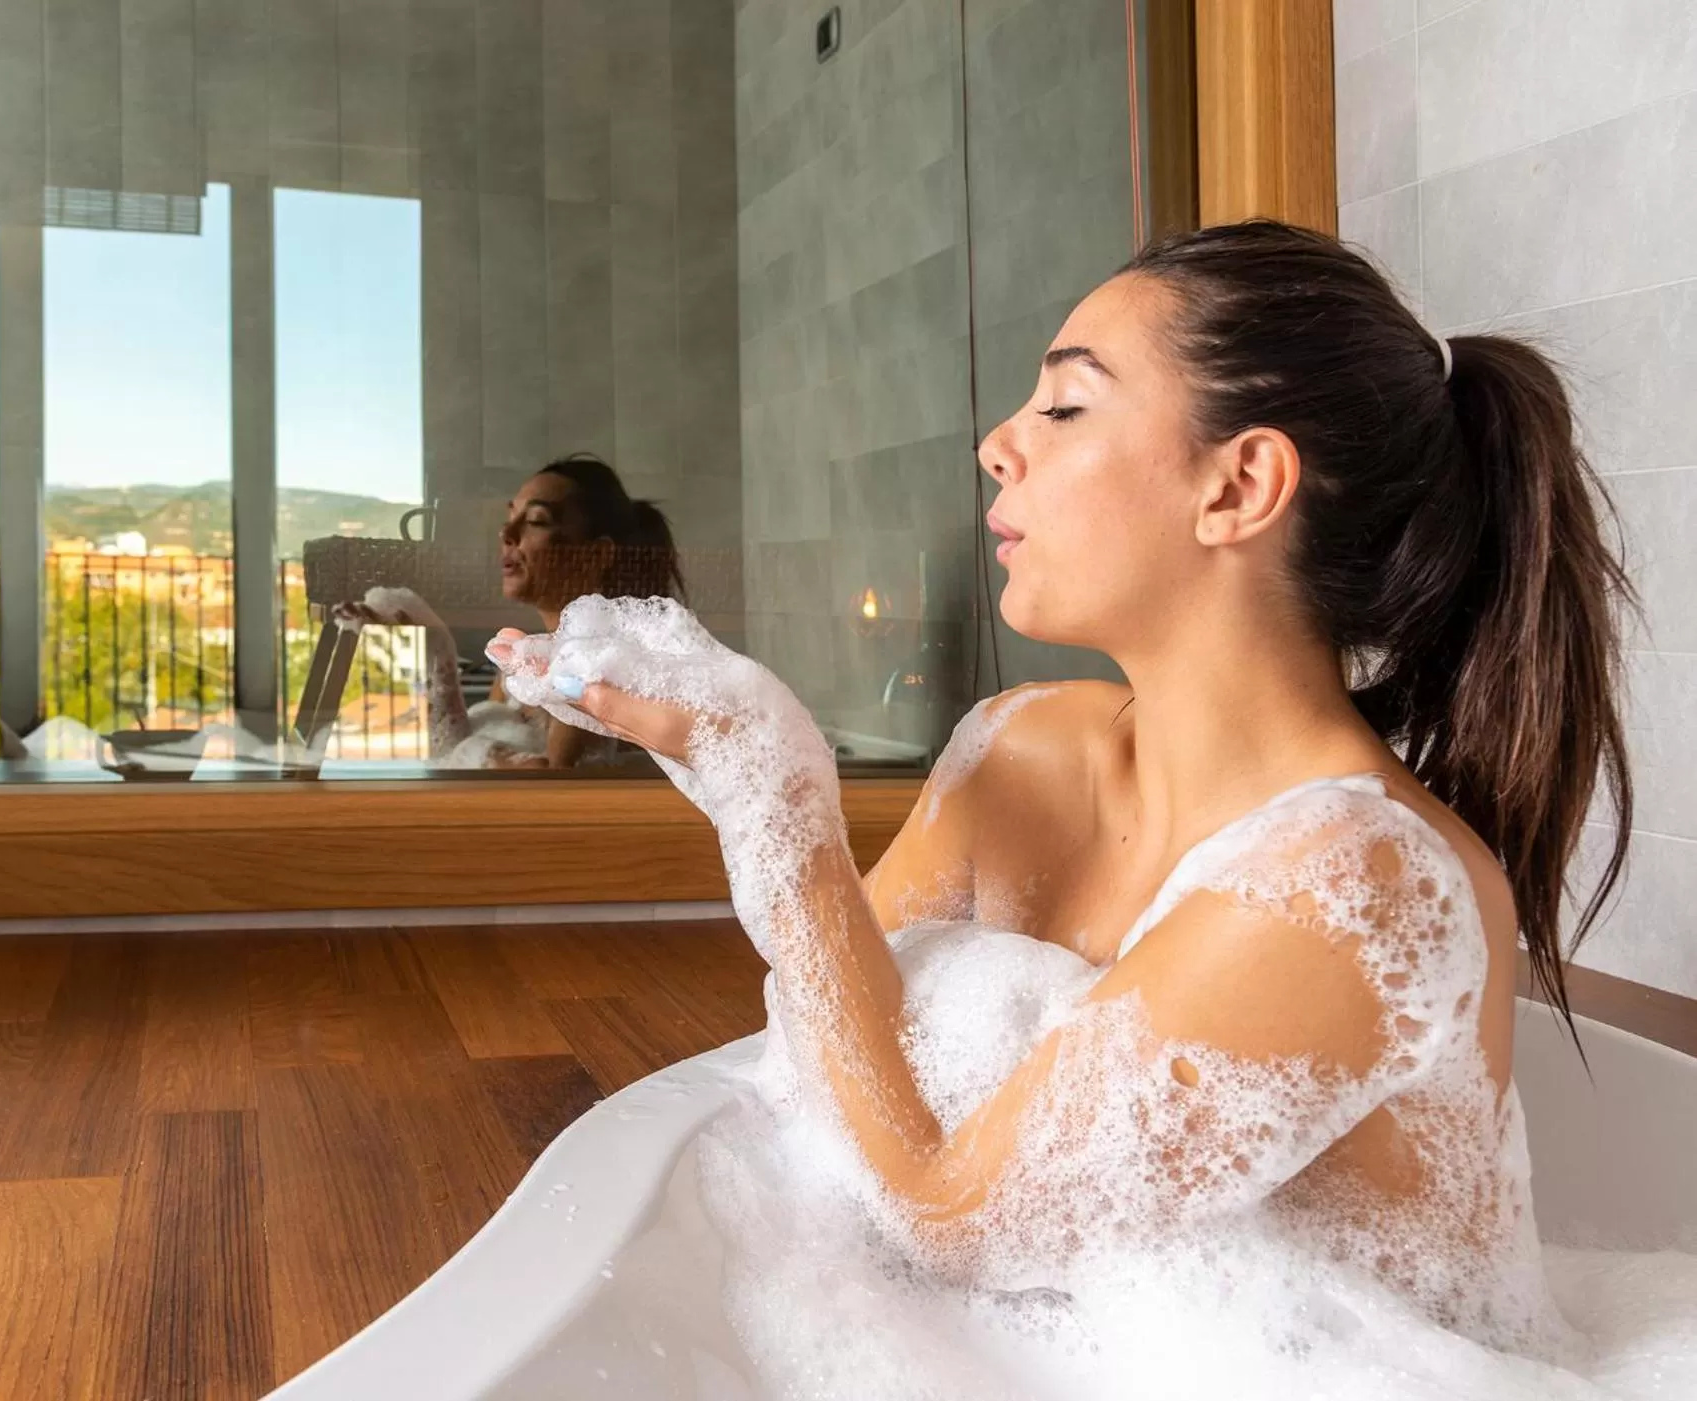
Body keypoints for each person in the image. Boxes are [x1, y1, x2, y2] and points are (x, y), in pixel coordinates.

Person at [487, 221, 1634, 1343]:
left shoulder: (1361, 882)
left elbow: (953, 1219)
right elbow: (828, 1059)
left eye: (1066, 405)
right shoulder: (1022, 749)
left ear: (1239, 487)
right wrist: (739, 774)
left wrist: (775, 801)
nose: (999, 443)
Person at [339, 453, 683, 768]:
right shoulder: (522, 667)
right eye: (510, 516)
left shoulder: (592, 670)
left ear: (597, 554)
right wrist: (426, 653)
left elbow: (547, 792)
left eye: (536, 520)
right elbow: (452, 752)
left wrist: (438, 650)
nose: (507, 532)